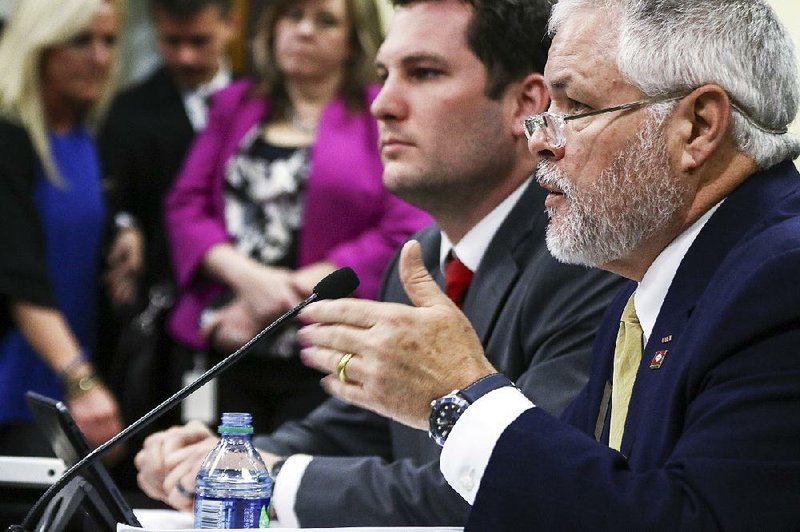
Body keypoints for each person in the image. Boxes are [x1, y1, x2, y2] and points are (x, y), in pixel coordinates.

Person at [298, 0, 800, 529]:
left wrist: (463, 395)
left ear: (697, 127)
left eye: (576, 107)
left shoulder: (781, 280)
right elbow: (587, 493)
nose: (538, 139)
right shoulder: (649, 287)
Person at [134, 0, 623, 526]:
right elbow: (364, 422)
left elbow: (507, 482)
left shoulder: (582, 259)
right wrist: (229, 461)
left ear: (526, 105)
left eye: (424, 73)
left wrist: (276, 481)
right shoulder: (421, 256)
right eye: (384, 75)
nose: (382, 106)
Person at [163, 0, 430, 435]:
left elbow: (403, 223)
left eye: (325, 21)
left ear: (351, 40)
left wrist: (285, 299)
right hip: (230, 334)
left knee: (296, 476)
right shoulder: (234, 104)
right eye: (292, 16)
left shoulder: (379, 113)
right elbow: (185, 205)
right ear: (271, 27)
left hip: (327, 344)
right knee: (216, 477)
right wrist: (252, 282)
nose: (304, 30)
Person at [0, 0, 123, 456]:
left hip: (73, 376)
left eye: (109, 41)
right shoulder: (10, 135)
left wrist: (122, 234)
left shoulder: (83, 131)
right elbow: (17, 272)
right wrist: (81, 381)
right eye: (81, 41)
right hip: (20, 386)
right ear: (40, 47)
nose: (101, 58)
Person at [99, 0, 239, 311]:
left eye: (199, 41)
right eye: (171, 42)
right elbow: (113, 195)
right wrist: (124, 227)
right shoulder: (127, 111)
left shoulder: (259, 101)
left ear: (230, 26)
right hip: (166, 299)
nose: (185, 56)